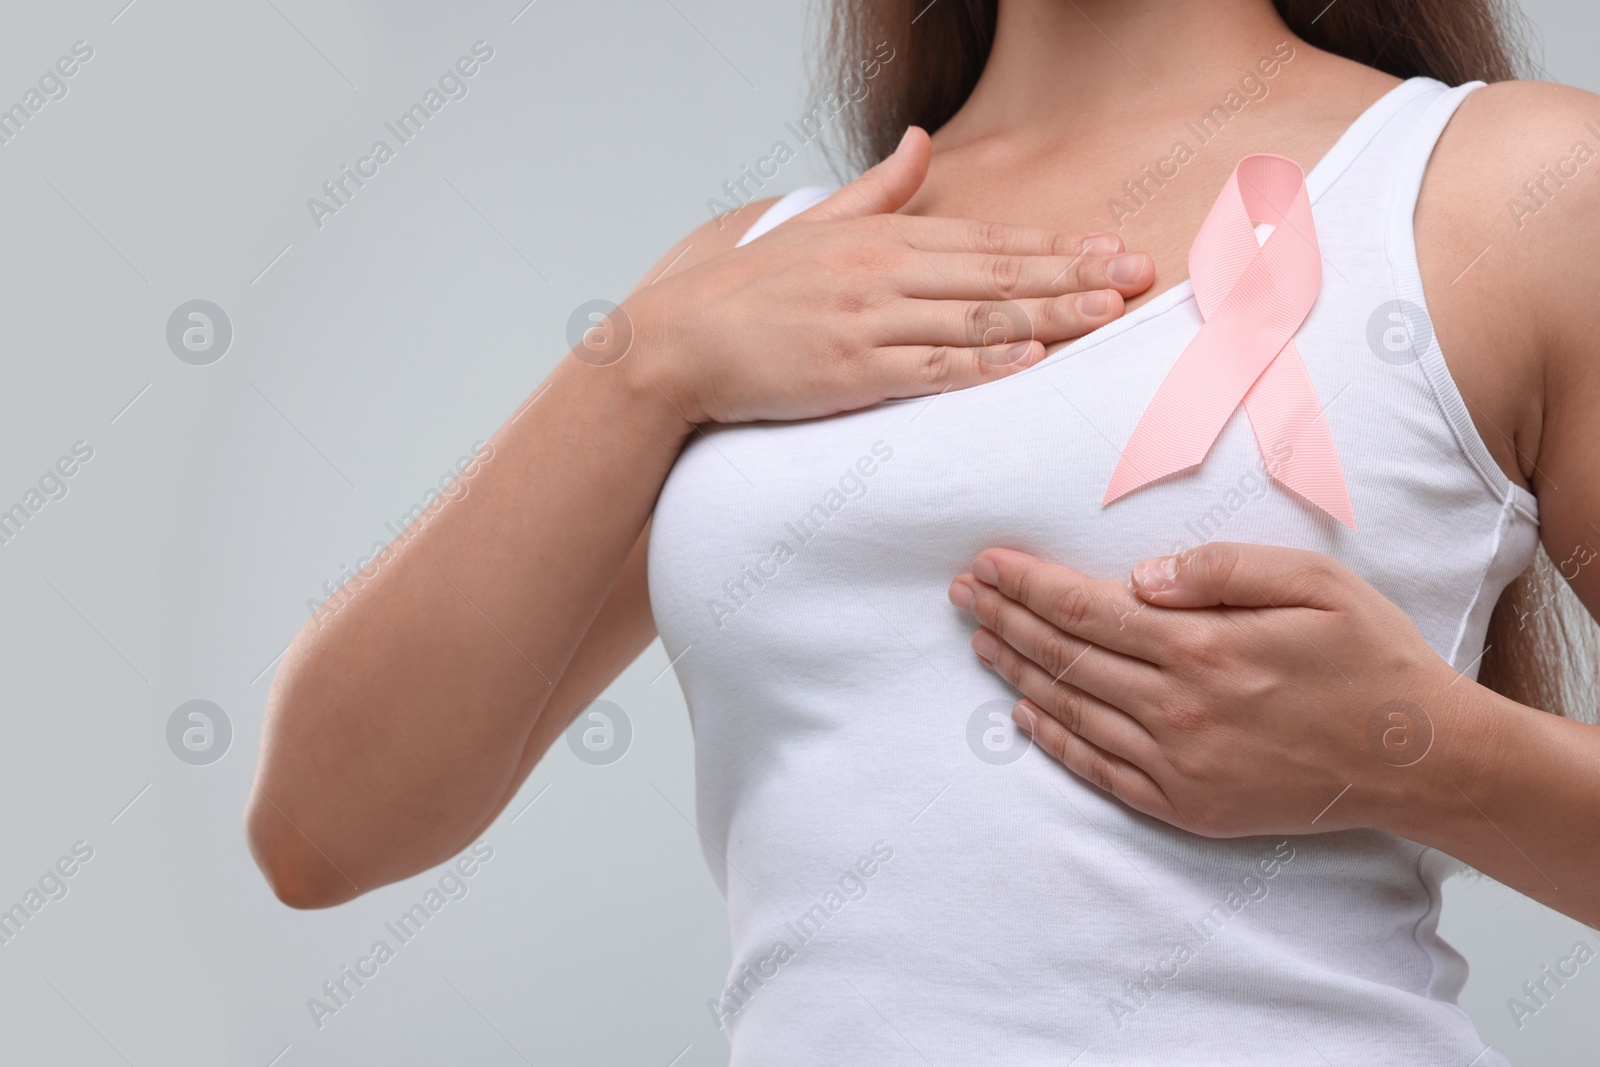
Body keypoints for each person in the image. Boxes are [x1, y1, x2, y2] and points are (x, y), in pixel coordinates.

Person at [247, 0, 1600, 1061]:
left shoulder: (1505, 189)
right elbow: (325, 826)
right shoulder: (760, 277)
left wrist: (1425, 755)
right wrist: (644, 358)